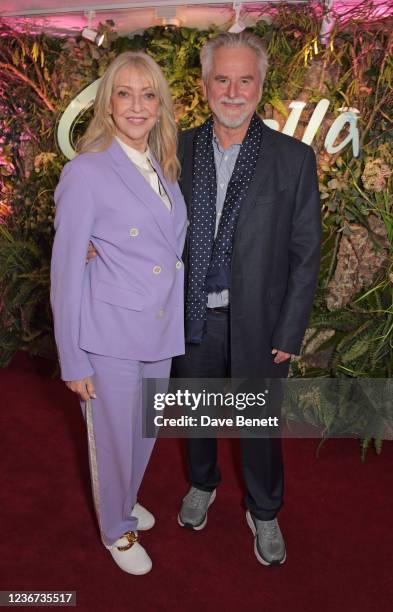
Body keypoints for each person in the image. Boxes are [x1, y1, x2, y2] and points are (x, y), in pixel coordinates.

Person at [173, 31, 321, 566]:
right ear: (206, 83)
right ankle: (202, 482)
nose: (232, 91)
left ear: (261, 86)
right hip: (191, 319)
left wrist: (290, 330)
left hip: (260, 323)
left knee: (257, 427)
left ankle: (264, 510)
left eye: (245, 79)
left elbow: (306, 253)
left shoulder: (293, 159)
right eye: (222, 78)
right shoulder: (175, 148)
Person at [50, 51, 187, 575]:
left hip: (157, 327)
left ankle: (124, 500)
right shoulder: (86, 171)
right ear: (107, 104)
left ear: (159, 106)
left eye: (147, 95)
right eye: (124, 94)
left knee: (144, 432)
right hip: (108, 333)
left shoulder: (160, 165)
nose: (136, 106)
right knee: (111, 437)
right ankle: (115, 530)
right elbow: (65, 271)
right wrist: (73, 359)